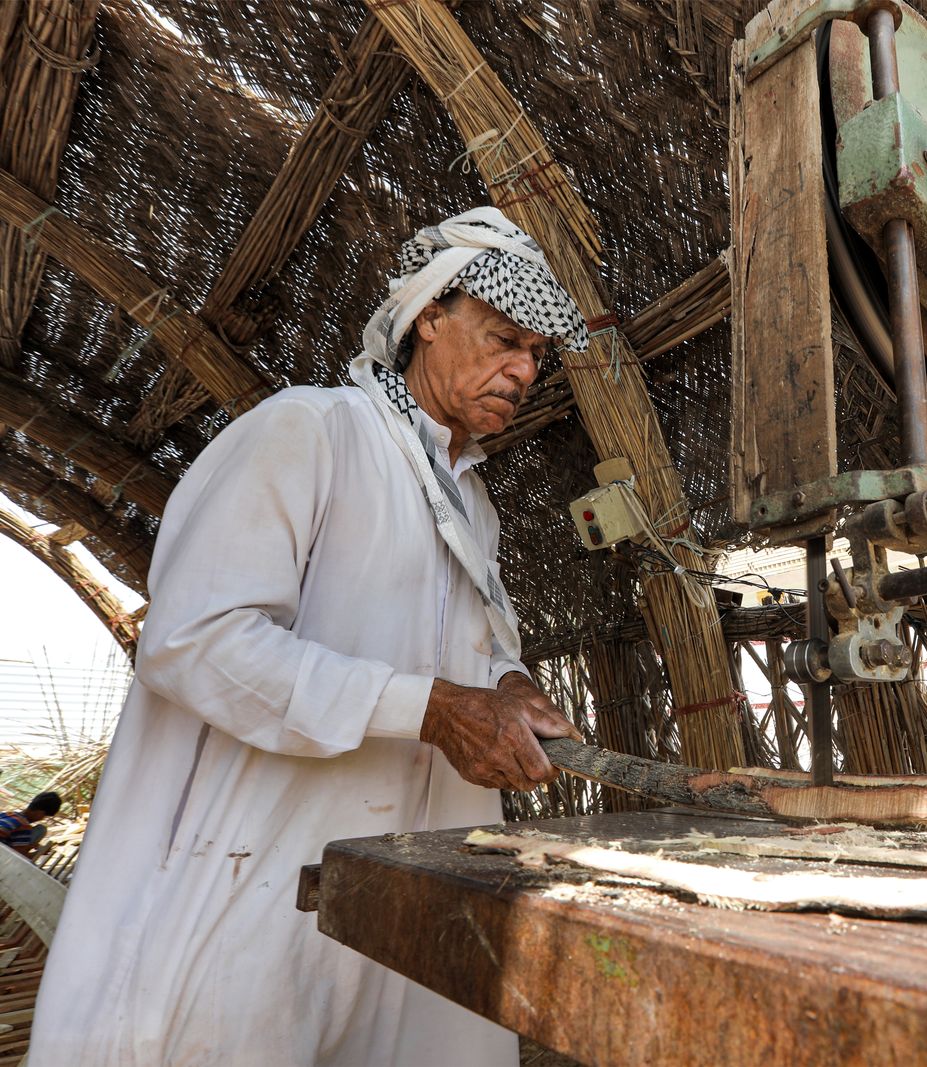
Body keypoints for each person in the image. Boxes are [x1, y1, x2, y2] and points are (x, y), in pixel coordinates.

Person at [31, 208, 588, 1067]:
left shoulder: (475, 505)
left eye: (536, 356)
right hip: (259, 879)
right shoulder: (313, 431)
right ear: (428, 316)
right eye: (503, 338)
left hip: (413, 898)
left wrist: (508, 684)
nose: (522, 370)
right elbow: (195, 640)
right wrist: (430, 709)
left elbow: (478, 648)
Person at [0, 791, 61, 856]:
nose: (42, 819)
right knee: (41, 829)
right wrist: (40, 852)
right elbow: (17, 856)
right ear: (39, 812)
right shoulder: (24, 826)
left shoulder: (7, 814)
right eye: (44, 816)